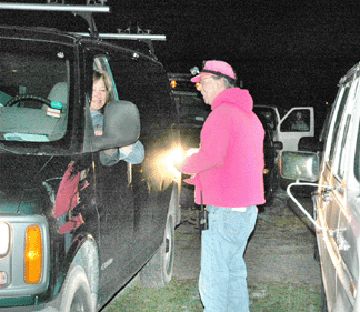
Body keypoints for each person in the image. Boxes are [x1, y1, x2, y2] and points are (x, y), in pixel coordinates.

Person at [175, 60, 265, 312]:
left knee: (214, 279)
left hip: (224, 209)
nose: (199, 89)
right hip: (246, 209)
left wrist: (183, 163)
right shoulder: (250, 116)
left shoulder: (221, 114)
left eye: (202, 82)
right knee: (234, 272)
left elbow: (210, 157)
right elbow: (236, 160)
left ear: (218, 81)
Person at [90, 70, 144, 165]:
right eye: (93, 90)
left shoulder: (108, 122)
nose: (98, 95)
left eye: (102, 90)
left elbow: (138, 156)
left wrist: (109, 140)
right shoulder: (66, 113)